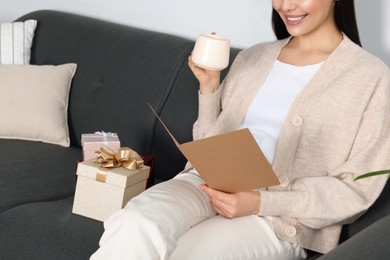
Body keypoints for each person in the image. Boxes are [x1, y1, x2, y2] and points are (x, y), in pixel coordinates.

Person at [91, 0, 390, 259]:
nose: (286, 6)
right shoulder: (253, 57)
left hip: (279, 219)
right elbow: (211, 148)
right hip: (206, 182)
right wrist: (209, 89)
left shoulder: (371, 78)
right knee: (132, 224)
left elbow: (357, 190)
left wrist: (262, 201)